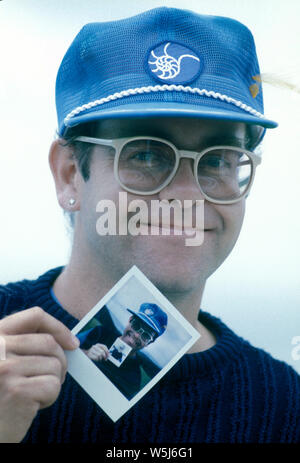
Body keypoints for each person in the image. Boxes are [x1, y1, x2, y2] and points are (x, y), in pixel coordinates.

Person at [0, 7, 299, 444]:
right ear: (69, 173)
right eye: (145, 154)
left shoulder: (284, 408)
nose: (188, 196)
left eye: (217, 160)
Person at [77, 303, 167, 399]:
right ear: (130, 320)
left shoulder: (134, 378)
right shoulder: (100, 333)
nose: (137, 335)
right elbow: (67, 348)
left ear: (150, 343)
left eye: (146, 336)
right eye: (136, 325)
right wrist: (85, 354)